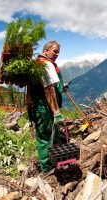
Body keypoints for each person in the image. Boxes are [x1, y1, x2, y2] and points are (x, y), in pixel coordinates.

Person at [27, 40, 67, 173]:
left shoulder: (38, 63)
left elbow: (49, 86)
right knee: (45, 138)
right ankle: (47, 168)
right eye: (54, 51)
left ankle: (53, 160)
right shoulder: (45, 65)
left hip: (41, 107)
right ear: (46, 51)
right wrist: (56, 112)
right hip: (44, 108)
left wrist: (61, 86)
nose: (57, 54)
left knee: (51, 134)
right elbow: (49, 89)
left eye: (58, 52)